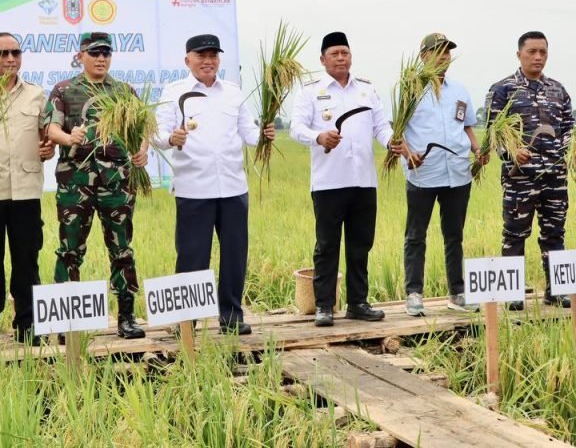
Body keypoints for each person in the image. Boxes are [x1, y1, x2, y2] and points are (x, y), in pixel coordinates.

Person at [154, 34, 275, 335]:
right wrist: (172, 138)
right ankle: (187, 320)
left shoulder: (232, 93)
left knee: (235, 253)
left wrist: (265, 133)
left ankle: (231, 315)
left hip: (233, 188)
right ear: (188, 60)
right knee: (193, 255)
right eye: (201, 55)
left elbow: (249, 133)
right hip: (193, 188)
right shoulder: (173, 92)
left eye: (213, 55)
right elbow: (155, 135)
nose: (208, 61)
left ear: (219, 59)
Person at [290, 31, 401, 327]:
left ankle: (358, 303)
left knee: (360, 243)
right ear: (323, 59)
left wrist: (392, 142)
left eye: (345, 53)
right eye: (335, 53)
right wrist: (319, 136)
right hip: (329, 182)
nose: (341, 58)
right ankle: (325, 305)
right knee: (327, 245)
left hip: (364, 181)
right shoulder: (310, 91)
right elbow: (295, 127)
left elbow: (381, 126)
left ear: (351, 57)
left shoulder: (365, 89)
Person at [46, 31, 149, 339]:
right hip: (75, 182)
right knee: (70, 251)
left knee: (121, 250)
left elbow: (142, 129)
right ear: (81, 55)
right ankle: (68, 321)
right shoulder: (65, 89)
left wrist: (142, 150)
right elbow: (51, 129)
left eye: (106, 53)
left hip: (116, 182)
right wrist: (68, 138)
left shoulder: (124, 91)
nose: (101, 58)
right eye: (95, 52)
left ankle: (127, 316)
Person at [0, 32, 55, 351]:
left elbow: (48, 136)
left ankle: (28, 325)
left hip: (26, 191)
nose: (9, 59)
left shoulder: (36, 95)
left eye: (15, 53)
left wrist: (49, 149)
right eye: (2, 53)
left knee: (26, 260)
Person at [485, 31, 573, 311]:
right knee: (514, 234)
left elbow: (569, 128)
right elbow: (493, 132)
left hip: (554, 176)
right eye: (532, 52)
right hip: (519, 178)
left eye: (543, 52)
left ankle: (557, 290)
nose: (537, 57)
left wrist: (571, 150)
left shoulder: (558, 90)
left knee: (554, 233)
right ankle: (513, 292)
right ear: (519, 54)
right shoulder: (503, 90)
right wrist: (511, 152)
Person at [397, 33, 484, 317]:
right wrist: (408, 154)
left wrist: (477, 148)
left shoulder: (459, 90)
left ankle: (457, 294)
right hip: (423, 173)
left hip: (458, 172)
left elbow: (468, 126)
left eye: (447, 52)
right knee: (416, 236)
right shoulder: (410, 89)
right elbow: (396, 132)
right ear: (423, 56)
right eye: (438, 52)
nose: (444, 57)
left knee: (454, 235)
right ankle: (414, 294)